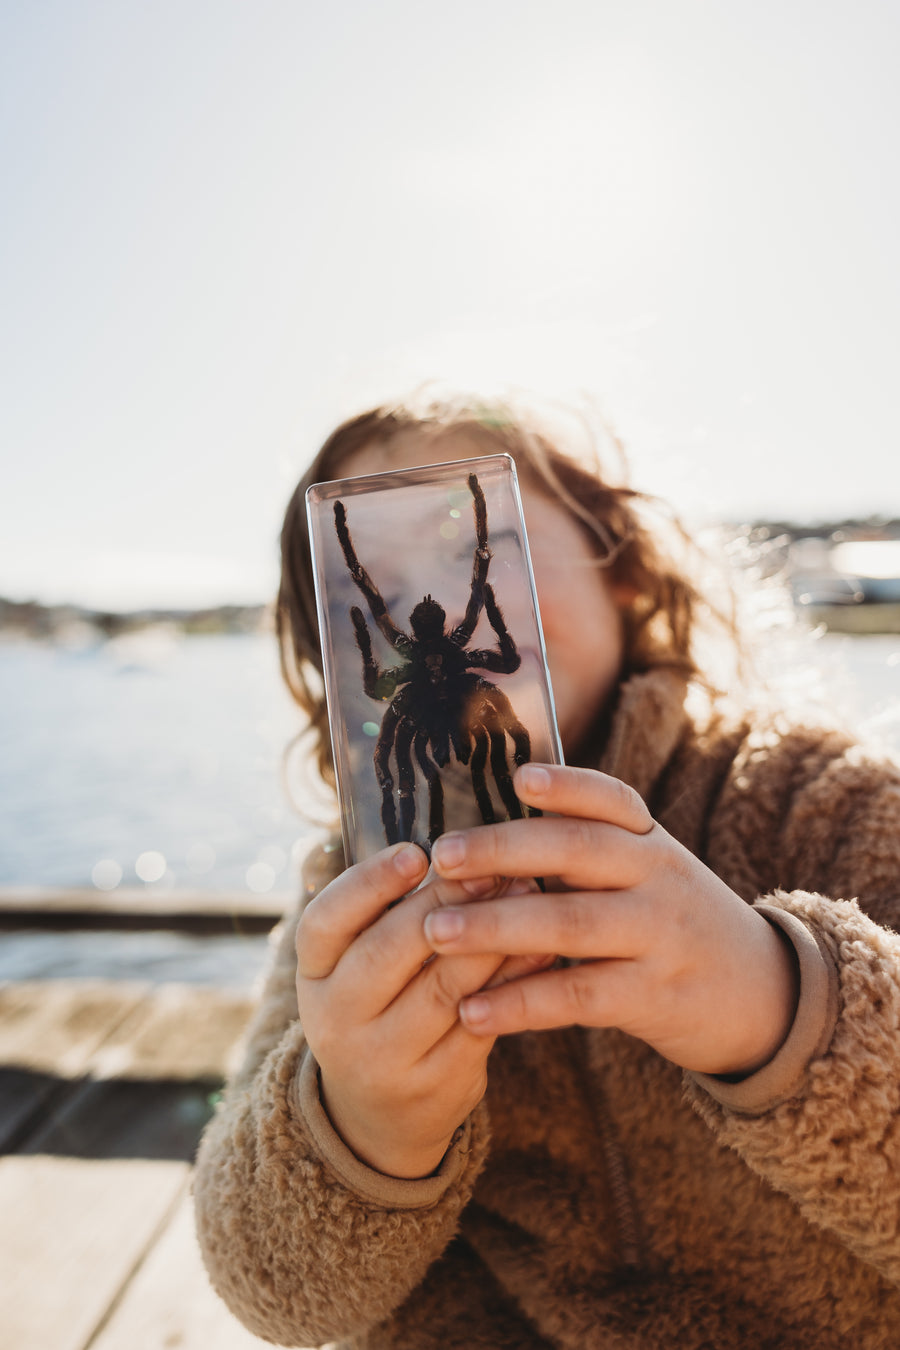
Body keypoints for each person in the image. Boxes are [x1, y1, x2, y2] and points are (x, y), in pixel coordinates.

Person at [194, 396, 900, 1349]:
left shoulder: (819, 801)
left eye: (476, 541)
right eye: (367, 583)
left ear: (628, 569)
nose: (413, 600)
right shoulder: (356, 897)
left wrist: (784, 1005)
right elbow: (271, 1291)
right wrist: (356, 1122)